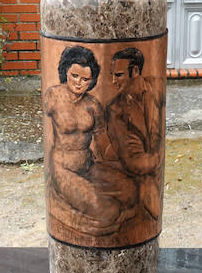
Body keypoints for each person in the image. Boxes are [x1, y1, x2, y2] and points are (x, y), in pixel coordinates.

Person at [44, 46, 136, 233]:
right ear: (65, 72)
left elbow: (102, 141)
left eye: (85, 79)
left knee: (131, 191)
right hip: (63, 169)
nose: (79, 83)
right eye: (74, 76)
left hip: (88, 165)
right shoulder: (53, 96)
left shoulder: (93, 105)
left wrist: (124, 155)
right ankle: (68, 211)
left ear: (92, 81)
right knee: (108, 211)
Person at [104, 47, 164, 220]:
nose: (114, 81)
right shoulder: (115, 110)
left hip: (151, 167)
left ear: (135, 71)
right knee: (147, 187)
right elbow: (134, 163)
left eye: (119, 75)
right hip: (139, 173)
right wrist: (157, 157)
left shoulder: (156, 88)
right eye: (113, 75)